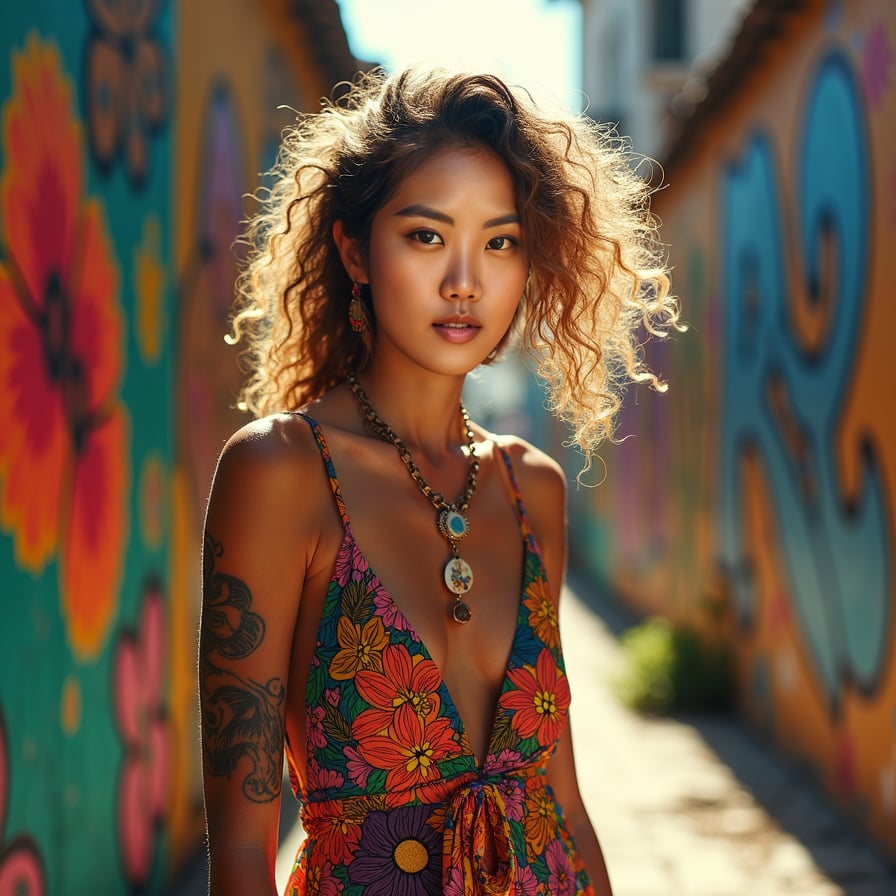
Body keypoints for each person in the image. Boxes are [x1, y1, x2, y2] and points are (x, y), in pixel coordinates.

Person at [199, 65, 678, 896]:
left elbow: (561, 798)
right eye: (426, 235)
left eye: (501, 242)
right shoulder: (281, 471)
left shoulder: (534, 490)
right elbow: (242, 852)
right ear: (354, 249)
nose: (466, 281)